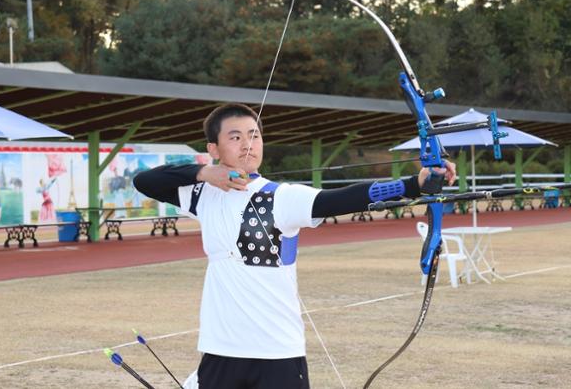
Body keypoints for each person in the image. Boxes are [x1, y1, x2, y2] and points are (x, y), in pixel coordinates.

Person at [133, 103, 456, 389]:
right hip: (221, 349)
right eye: (235, 137)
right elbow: (145, 181)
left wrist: (414, 184)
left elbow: (341, 198)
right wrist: (206, 173)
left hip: (277, 352)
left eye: (254, 135)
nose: (248, 144)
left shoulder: (281, 196)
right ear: (213, 148)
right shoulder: (202, 194)